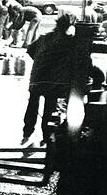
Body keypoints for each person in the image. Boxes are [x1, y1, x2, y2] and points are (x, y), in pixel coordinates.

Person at [23, 13, 89, 146]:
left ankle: (27, 132)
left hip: (37, 77)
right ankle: (46, 136)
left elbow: (30, 50)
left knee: (33, 104)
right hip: (52, 81)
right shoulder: (69, 42)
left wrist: (40, 61)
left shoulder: (45, 37)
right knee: (49, 106)